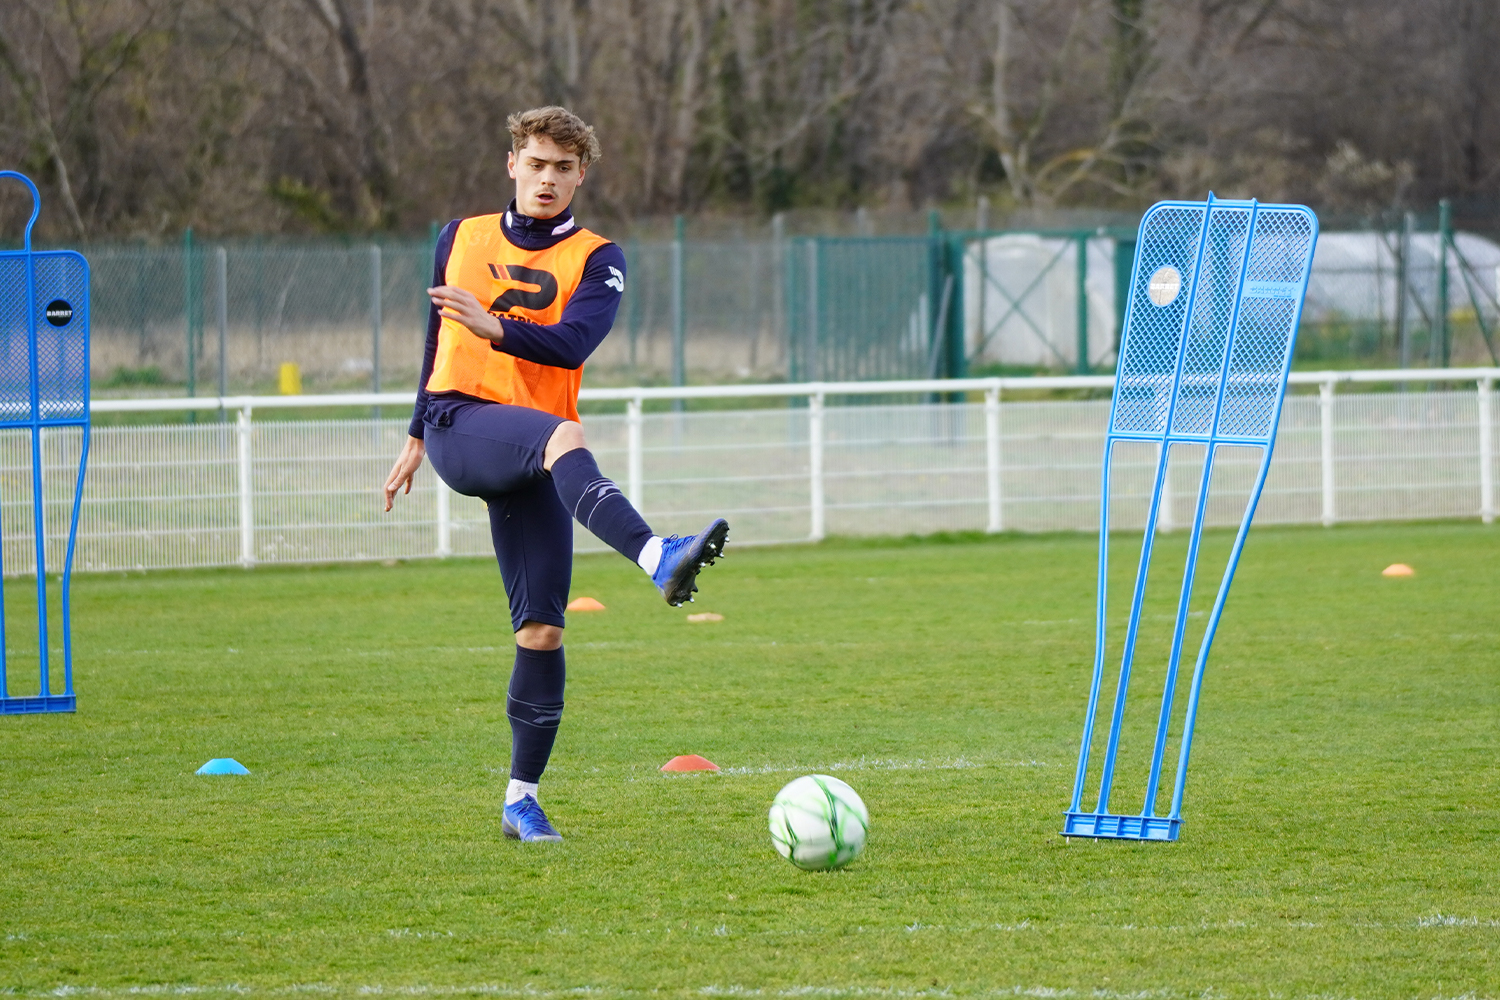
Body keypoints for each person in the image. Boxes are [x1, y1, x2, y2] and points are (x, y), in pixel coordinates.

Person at [383, 106, 728, 843]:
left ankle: (519, 800)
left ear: (580, 176)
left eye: (563, 168)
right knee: (565, 434)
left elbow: (571, 344)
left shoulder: (601, 257)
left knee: (541, 631)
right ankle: (656, 555)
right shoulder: (460, 236)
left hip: (537, 453)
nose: (547, 178)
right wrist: (415, 432)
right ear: (512, 163)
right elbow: (437, 333)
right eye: (535, 163)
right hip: (461, 423)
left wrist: (494, 326)